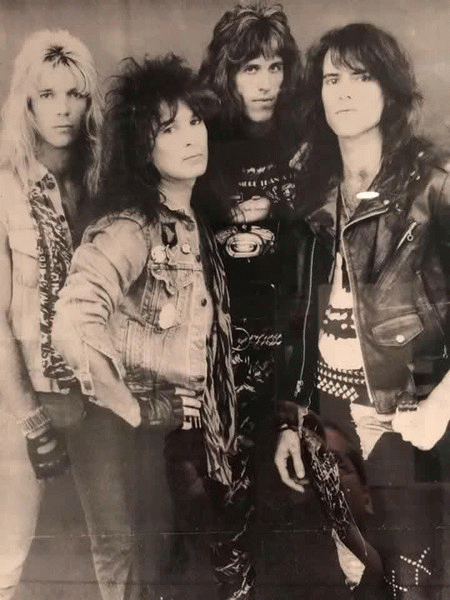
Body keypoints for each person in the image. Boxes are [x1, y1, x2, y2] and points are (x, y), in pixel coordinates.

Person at [52, 54, 247, 600]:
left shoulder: (194, 221)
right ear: (142, 146)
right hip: (116, 423)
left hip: (170, 426)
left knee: (171, 571)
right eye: (168, 128)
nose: (190, 137)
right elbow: (72, 322)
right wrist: (133, 407)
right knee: (134, 571)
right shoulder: (129, 226)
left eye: (195, 121)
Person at [275, 22, 450, 599]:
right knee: (356, 573)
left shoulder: (434, 186)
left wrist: (440, 406)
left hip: (404, 415)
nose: (343, 92)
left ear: (389, 89)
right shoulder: (314, 194)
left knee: (412, 581)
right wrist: (291, 420)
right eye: (332, 79)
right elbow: (299, 319)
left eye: (360, 76)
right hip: (329, 415)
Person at [198, 7, 303, 594]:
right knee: (229, 502)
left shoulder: (306, 139)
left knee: (298, 499)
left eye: (275, 66)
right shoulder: (201, 143)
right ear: (227, 73)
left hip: (294, 344)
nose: (266, 83)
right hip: (223, 352)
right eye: (250, 68)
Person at [0, 29, 102, 600]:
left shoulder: (104, 183)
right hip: (20, 399)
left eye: (75, 94)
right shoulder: (4, 187)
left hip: (99, 398)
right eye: (47, 94)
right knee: (7, 554)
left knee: (109, 549)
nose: (62, 109)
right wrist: (31, 422)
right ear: (27, 103)